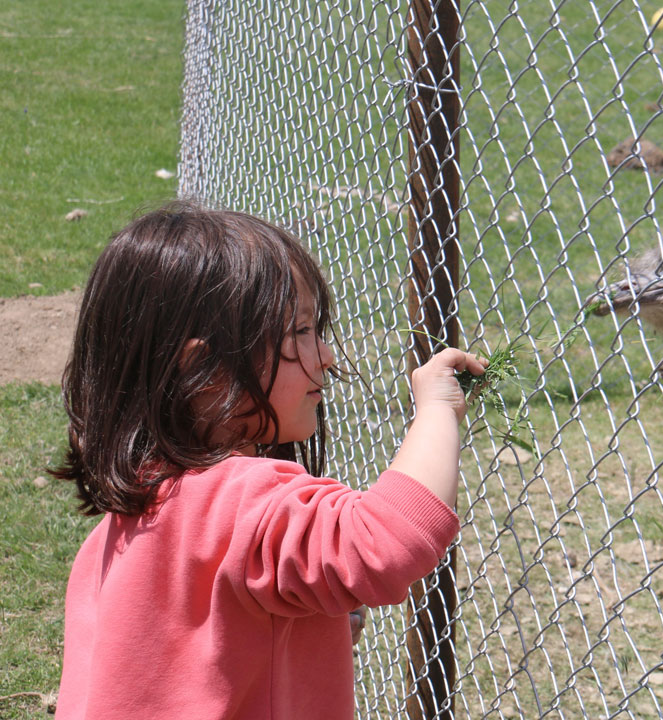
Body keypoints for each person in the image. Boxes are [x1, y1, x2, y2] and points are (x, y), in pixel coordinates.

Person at [52, 202, 486, 719]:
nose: (326, 355)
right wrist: (437, 411)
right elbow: (384, 544)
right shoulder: (248, 501)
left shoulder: (129, 517)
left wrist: (306, 629)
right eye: (300, 333)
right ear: (205, 368)